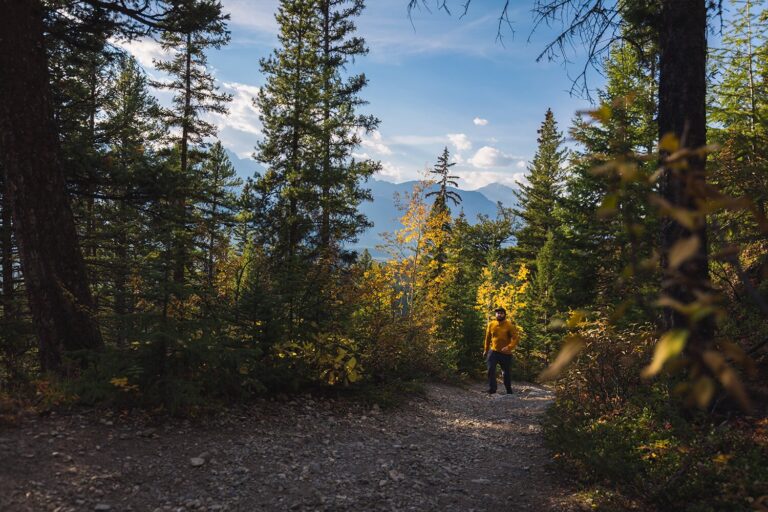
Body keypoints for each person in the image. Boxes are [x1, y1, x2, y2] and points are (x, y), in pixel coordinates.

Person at [483, 306, 520, 394]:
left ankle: (508, 390)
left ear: (504, 315)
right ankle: (492, 389)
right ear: (496, 314)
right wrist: (486, 349)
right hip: (493, 351)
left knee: (506, 373)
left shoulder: (509, 325)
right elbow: (487, 338)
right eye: (498, 313)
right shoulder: (491, 324)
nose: (499, 315)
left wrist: (509, 347)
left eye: (501, 313)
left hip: (506, 353)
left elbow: (516, 338)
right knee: (490, 369)